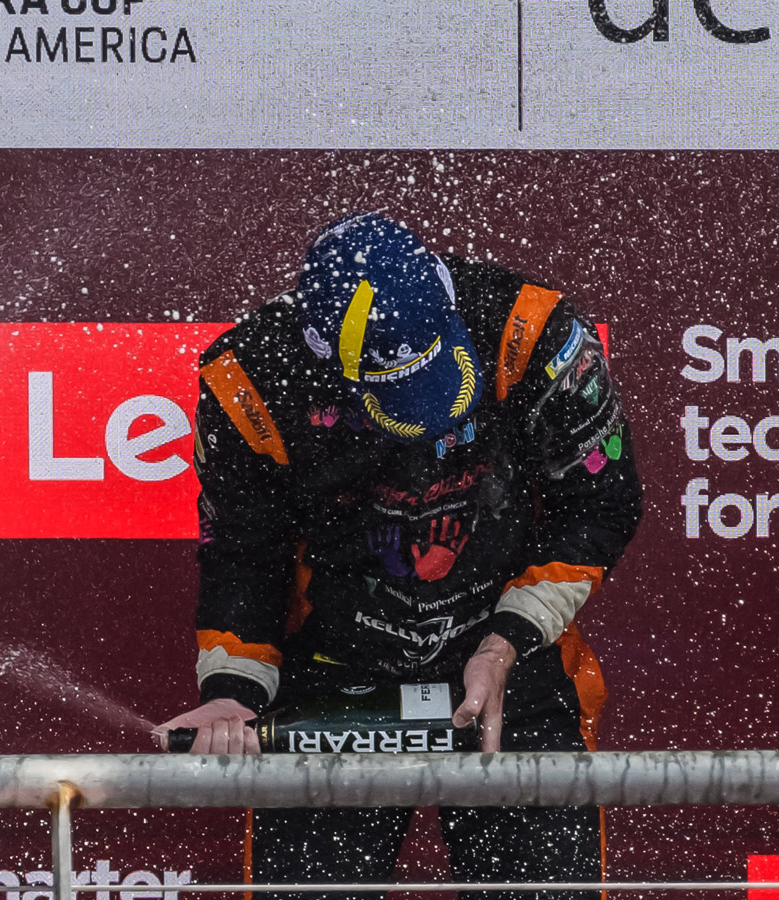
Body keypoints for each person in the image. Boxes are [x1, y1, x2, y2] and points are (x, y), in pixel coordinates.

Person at [154, 213, 642, 899]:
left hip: (511, 664)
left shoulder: (530, 329)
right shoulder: (250, 381)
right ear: (327, 354)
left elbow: (602, 501)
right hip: (332, 675)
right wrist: (232, 696)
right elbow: (244, 553)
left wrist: (504, 644)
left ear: (446, 301)